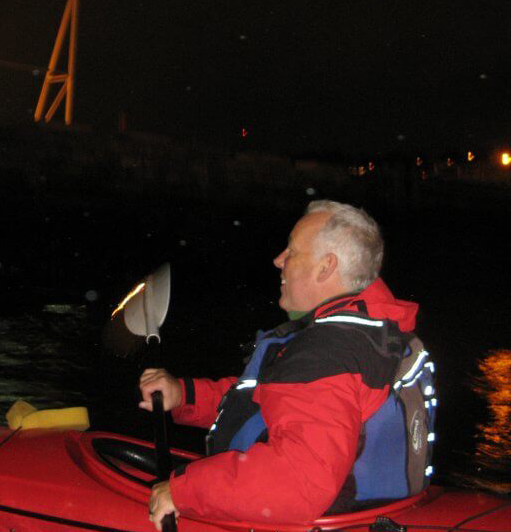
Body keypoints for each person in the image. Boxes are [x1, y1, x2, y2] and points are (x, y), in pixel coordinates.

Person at [139, 200, 435, 529]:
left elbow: (297, 481)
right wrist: (185, 396)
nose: (278, 260)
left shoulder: (327, 354)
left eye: (292, 251)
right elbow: (270, 405)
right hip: (382, 510)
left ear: (326, 267)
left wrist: (182, 492)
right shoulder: (368, 330)